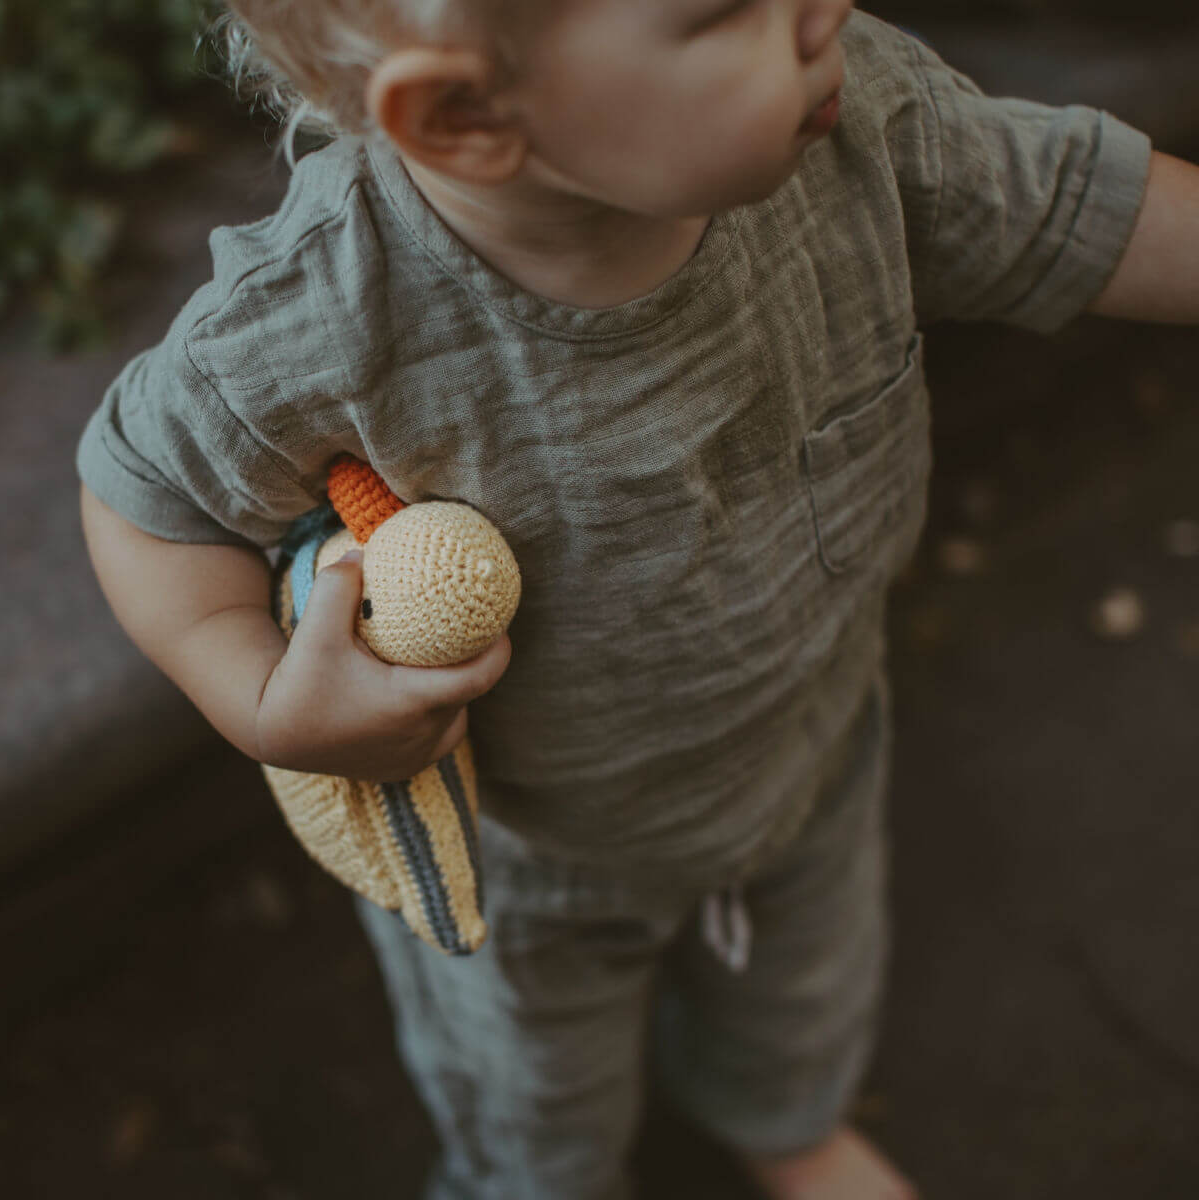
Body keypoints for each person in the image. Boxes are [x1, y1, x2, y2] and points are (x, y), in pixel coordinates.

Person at [76, 1, 1199, 1196]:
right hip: (532, 866)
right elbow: (148, 501)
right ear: (467, 114)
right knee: (536, 1110)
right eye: (727, 9)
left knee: (804, 990)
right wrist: (258, 699)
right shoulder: (323, 315)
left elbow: (1076, 201)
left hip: (810, 743)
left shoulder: (857, 109)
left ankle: (786, 1125)